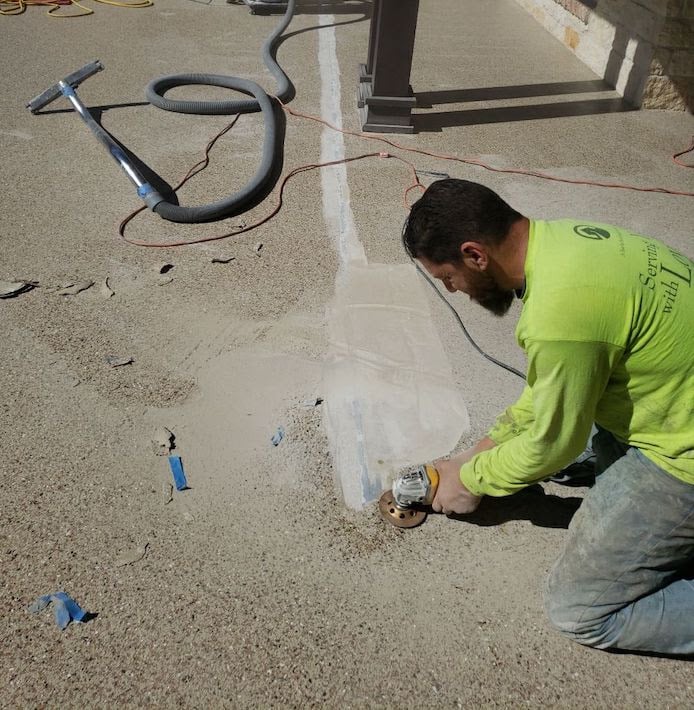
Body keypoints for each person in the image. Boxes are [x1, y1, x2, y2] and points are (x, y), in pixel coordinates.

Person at [403, 178, 694, 656]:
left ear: (475, 254)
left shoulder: (558, 316)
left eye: (448, 278)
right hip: (674, 399)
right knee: (557, 445)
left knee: (582, 610)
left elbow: (552, 441)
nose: (454, 291)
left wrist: (471, 481)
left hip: (681, 455)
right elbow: (552, 390)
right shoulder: (569, 241)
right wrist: (486, 448)